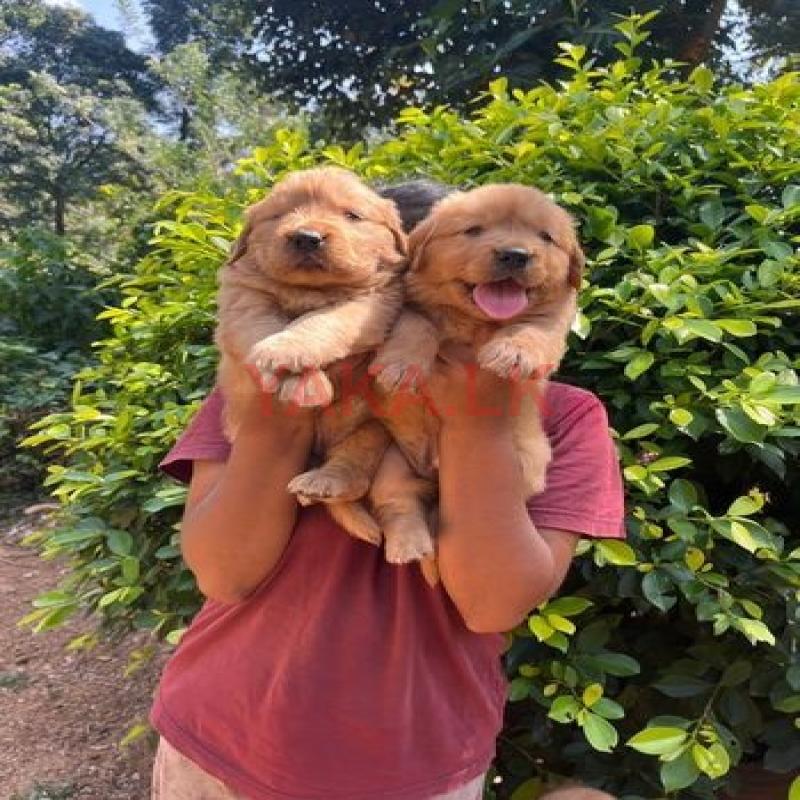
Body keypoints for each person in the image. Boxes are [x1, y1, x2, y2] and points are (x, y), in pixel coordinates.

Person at [150, 180, 625, 800]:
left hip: (412, 760)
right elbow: (223, 573)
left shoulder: (566, 415)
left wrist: (477, 420)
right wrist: (278, 412)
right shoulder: (265, 368)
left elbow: (493, 605)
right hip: (219, 736)